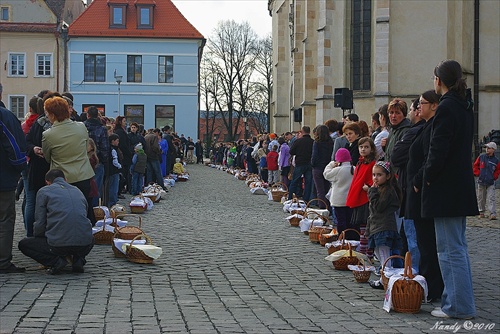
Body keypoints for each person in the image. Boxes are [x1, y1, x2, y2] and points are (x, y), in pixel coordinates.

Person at [423, 60, 478, 319]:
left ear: (439, 80)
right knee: (457, 247)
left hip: (446, 188)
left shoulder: (447, 107)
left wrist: (426, 176)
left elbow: (438, 150)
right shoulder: (463, 105)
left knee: (449, 249)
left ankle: (457, 306)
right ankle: (459, 303)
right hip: (458, 186)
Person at [18, 169, 94, 274]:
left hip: (57, 245)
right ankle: (78, 259)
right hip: (84, 243)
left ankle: (56, 261)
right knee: (89, 236)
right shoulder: (77, 190)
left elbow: (40, 222)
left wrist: (40, 236)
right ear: (65, 179)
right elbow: (84, 214)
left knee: (24, 244)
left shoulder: (44, 191)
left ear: (47, 182)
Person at [407, 89, 443, 302]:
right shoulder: (426, 127)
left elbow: (430, 157)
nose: (419, 106)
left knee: (428, 244)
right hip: (417, 193)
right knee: (424, 241)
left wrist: (418, 180)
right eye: (418, 103)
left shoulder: (432, 127)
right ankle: (430, 284)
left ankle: (433, 287)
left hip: (422, 192)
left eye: (422, 103)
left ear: (434, 105)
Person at [42, 93, 96, 225]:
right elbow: (85, 148)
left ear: (53, 115)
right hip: (83, 175)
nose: (47, 117)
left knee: (63, 214)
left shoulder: (48, 135)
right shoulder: (81, 127)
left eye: (47, 114)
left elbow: (48, 158)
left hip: (61, 179)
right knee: (83, 209)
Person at [390, 99, 426, 273]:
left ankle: (414, 272)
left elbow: (396, 156)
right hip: (403, 185)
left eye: (401, 112)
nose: (393, 116)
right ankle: (407, 269)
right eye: (391, 113)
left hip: (409, 186)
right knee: (406, 233)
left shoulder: (411, 131)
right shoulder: (399, 131)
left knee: (412, 236)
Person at [366, 161, 403, 289]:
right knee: (378, 252)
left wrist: (372, 192)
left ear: (387, 176)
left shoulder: (387, 190)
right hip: (377, 226)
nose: (375, 178)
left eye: (379, 175)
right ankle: (384, 278)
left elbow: (378, 207)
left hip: (384, 227)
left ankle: (386, 279)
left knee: (384, 254)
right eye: (374, 175)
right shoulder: (380, 189)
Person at [0, 102, 27, 273]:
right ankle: (2, 261)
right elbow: (14, 145)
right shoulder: (5, 116)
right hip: (3, 178)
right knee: (4, 220)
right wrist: (19, 166)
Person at [345, 137, 376, 253]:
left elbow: (374, 178)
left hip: (366, 198)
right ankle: (364, 250)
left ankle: (367, 251)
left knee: (366, 226)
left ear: (371, 149)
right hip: (360, 196)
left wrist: (369, 186)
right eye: (361, 147)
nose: (363, 149)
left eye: (366, 147)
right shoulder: (360, 162)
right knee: (363, 227)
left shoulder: (372, 163)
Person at [323, 148, 353, 234]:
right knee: (349, 220)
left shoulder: (337, 170)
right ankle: (350, 238)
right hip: (350, 200)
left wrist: (332, 164)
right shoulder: (354, 169)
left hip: (338, 201)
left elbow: (326, 174)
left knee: (340, 221)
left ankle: (341, 238)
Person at [84, 106, 109, 206]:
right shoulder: (102, 129)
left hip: (83, 160)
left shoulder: (82, 126)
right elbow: (105, 147)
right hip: (97, 161)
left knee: (85, 187)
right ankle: (95, 212)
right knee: (96, 188)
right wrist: (104, 160)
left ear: (88, 115)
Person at [473, 142, 499, 220]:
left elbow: (497, 170)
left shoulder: (496, 160)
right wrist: (478, 174)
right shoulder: (481, 157)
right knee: (481, 197)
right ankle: (481, 212)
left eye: (489, 148)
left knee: (491, 197)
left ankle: (492, 213)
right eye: (487, 147)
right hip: (481, 181)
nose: (487, 149)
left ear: (493, 149)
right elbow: (475, 166)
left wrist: (494, 177)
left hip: (490, 182)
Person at [288, 126, 314, 201]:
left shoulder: (298, 141)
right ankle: (306, 199)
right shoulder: (312, 141)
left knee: (294, 181)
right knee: (308, 183)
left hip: (300, 163)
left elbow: (291, 151)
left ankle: (290, 198)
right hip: (309, 163)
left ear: (302, 132)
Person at [311, 125, 334, 211]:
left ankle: (322, 207)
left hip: (318, 168)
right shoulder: (331, 142)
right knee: (327, 188)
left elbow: (314, 155)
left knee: (320, 190)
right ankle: (328, 206)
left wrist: (313, 164)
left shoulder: (317, 142)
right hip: (328, 167)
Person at [113, 116, 132, 195]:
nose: (125, 122)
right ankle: (120, 190)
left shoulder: (121, 131)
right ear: (120, 122)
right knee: (123, 173)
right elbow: (123, 145)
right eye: (124, 121)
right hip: (124, 155)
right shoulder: (120, 132)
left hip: (124, 155)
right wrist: (129, 153)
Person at [108, 134, 122, 207]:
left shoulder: (110, 148)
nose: (118, 142)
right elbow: (114, 161)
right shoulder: (113, 150)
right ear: (113, 141)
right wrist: (120, 166)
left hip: (111, 171)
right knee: (114, 188)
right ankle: (112, 202)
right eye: (117, 141)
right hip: (114, 171)